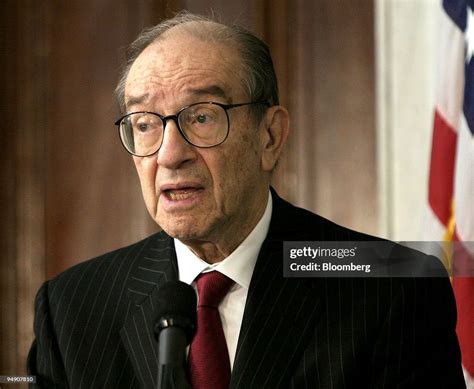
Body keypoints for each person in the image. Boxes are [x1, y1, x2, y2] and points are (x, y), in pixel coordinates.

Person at [27, 12, 465, 388]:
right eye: (144, 124)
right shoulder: (72, 308)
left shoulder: (395, 285)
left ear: (270, 136)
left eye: (201, 117)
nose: (169, 154)